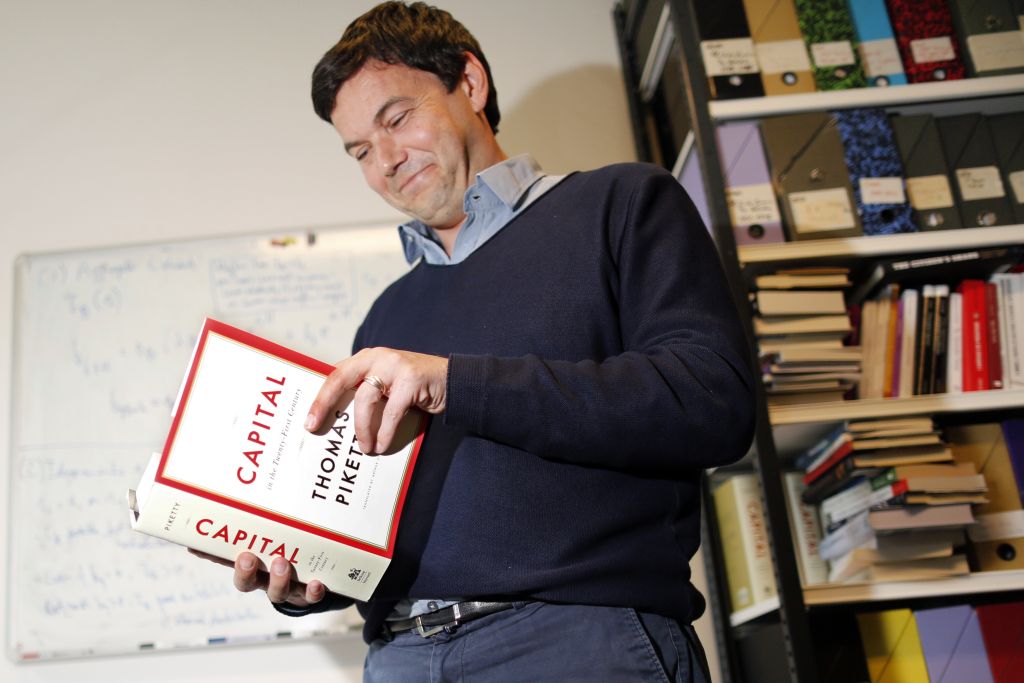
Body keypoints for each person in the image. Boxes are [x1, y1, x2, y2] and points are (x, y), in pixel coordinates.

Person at [204, 2, 755, 680]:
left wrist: (454, 382)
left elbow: (712, 403)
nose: (385, 161)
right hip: (399, 655)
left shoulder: (623, 204)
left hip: (574, 642)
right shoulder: (386, 316)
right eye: (359, 151)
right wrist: (306, 577)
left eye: (397, 119)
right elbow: (375, 528)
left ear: (470, 83)